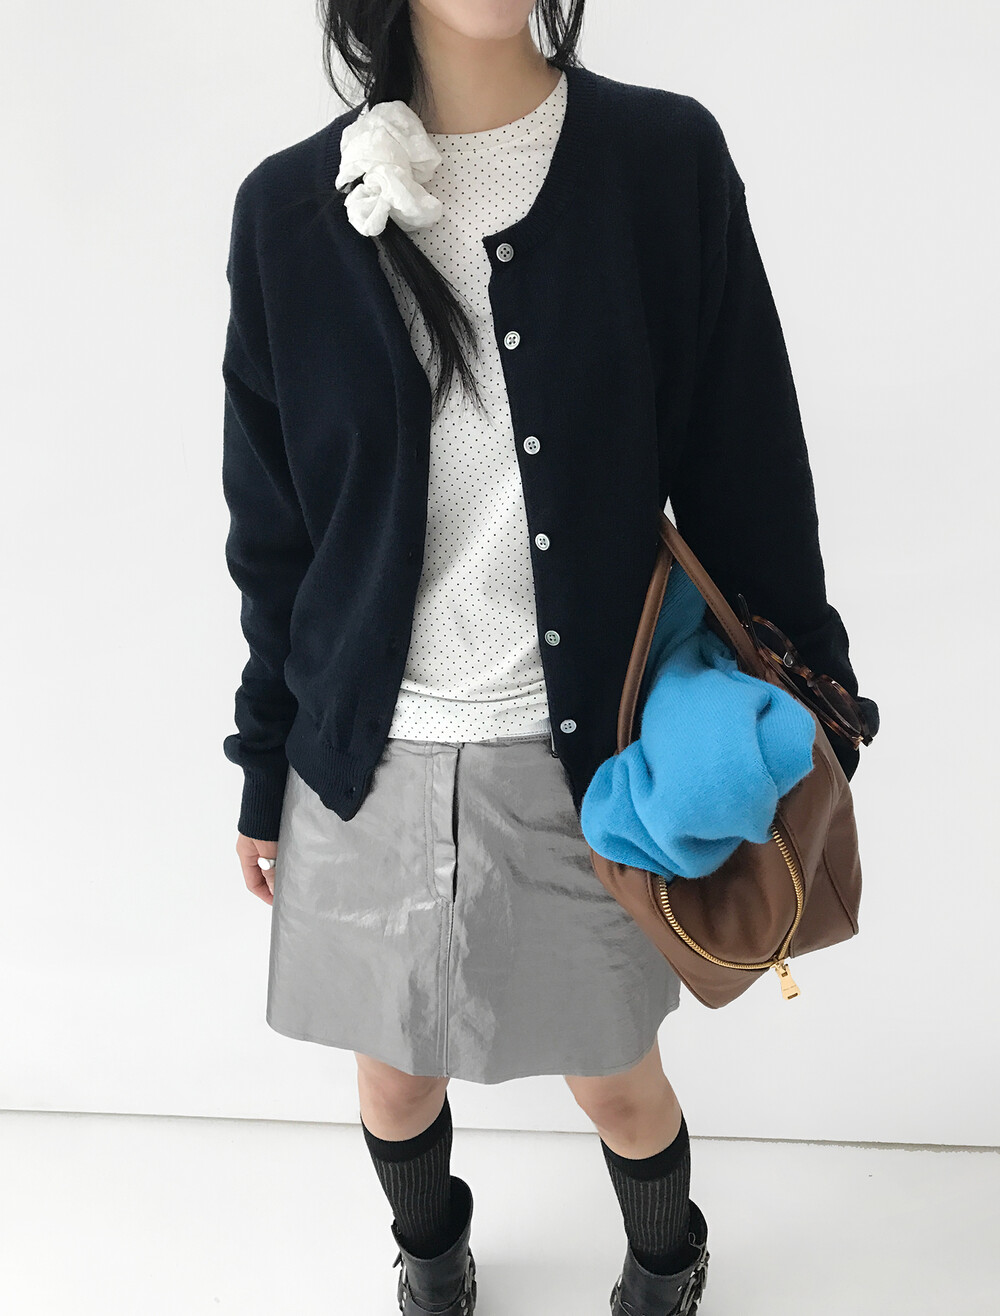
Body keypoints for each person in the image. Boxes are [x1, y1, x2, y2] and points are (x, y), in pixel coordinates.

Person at [220, 3, 879, 1313]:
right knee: (392, 1077)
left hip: (591, 761)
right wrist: (263, 763)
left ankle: (667, 1258)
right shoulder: (287, 211)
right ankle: (430, 1262)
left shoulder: (664, 161)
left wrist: (815, 691)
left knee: (618, 1078)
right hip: (365, 760)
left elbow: (746, 456)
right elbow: (275, 532)